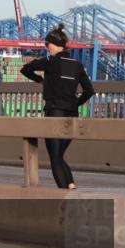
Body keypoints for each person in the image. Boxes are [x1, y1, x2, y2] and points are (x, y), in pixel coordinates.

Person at [20, 24, 95, 189]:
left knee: (55, 157)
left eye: (47, 44)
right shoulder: (77, 65)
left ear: (54, 44)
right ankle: (71, 186)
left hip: (55, 112)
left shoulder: (50, 61)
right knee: (59, 155)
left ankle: (65, 194)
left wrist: (39, 80)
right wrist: (75, 104)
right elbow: (89, 91)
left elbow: (25, 69)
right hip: (72, 114)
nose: (46, 48)